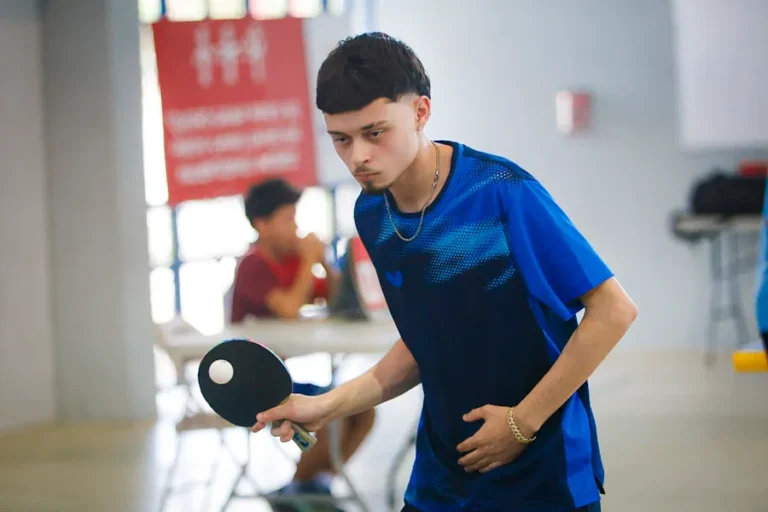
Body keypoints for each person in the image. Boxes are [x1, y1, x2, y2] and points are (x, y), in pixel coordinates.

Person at [252, 33, 638, 512]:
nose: (358, 157)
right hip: (441, 476)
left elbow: (613, 311)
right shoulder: (372, 214)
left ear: (420, 112)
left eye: (375, 133)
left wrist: (521, 423)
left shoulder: (501, 192)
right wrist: (324, 405)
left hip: (544, 473)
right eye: (341, 139)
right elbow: (424, 343)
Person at [230, 178, 376, 501]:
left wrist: (322, 261)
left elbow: (336, 302)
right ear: (262, 225)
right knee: (332, 413)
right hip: (251, 385)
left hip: (280, 379)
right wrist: (309, 262)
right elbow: (288, 309)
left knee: (363, 412)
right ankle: (298, 491)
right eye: (288, 219)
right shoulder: (253, 264)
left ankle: (310, 485)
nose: (296, 228)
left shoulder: (293, 261)